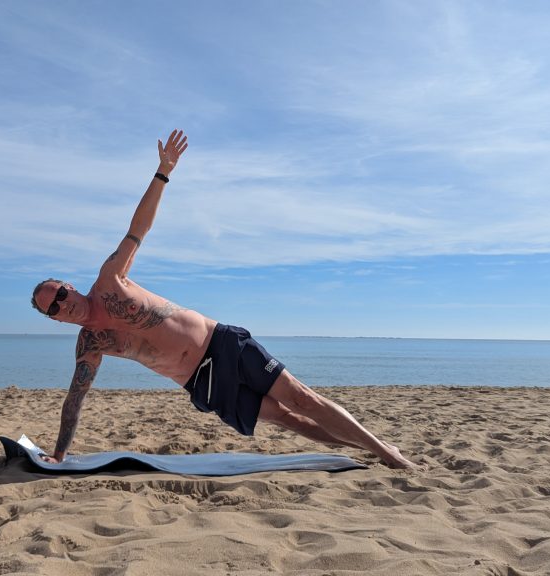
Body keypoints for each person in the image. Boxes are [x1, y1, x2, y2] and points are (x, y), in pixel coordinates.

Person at [31, 130, 417, 469]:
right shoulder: (90, 344)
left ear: (70, 285)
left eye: (60, 294)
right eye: (54, 308)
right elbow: (75, 399)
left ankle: (385, 452)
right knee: (289, 419)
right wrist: (60, 454)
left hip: (220, 344)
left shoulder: (110, 281)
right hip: (202, 382)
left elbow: (139, 227)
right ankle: (371, 448)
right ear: (56, 319)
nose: (63, 304)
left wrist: (163, 172)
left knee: (301, 399)